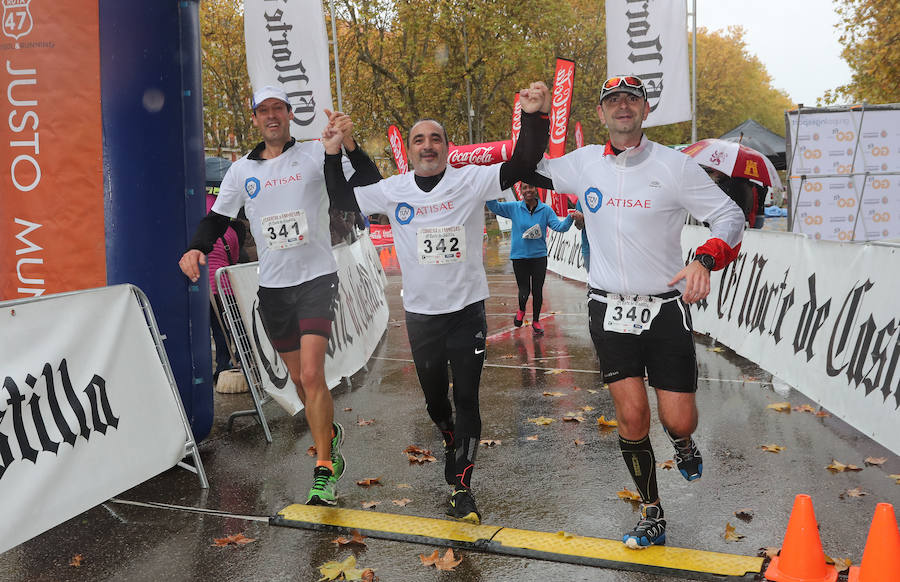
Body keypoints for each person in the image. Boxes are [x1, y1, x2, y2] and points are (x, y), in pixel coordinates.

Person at [529, 75, 745, 548]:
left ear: (646, 112)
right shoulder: (582, 164)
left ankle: (683, 442)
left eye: (632, 100)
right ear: (602, 114)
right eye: (613, 101)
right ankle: (652, 512)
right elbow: (530, 164)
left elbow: (731, 218)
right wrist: (536, 115)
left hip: (665, 309)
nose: (623, 107)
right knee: (631, 417)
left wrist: (705, 258)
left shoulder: (675, 167)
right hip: (608, 309)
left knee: (678, 420)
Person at [323, 81, 552, 524]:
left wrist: (534, 115)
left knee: (467, 397)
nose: (428, 146)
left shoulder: (471, 180)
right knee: (436, 403)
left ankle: (462, 487)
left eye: (436, 139)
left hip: (467, 313)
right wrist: (335, 151)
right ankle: (449, 436)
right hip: (422, 317)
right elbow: (341, 198)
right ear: (408, 151)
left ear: (448, 147)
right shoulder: (395, 190)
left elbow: (524, 161)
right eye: (418, 139)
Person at [178, 86, 382, 506]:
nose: (271, 116)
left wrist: (348, 143)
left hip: (316, 280)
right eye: (263, 110)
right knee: (297, 381)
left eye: (279, 109)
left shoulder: (314, 153)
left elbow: (365, 182)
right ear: (254, 119)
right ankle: (328, 430)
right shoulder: (241, 172)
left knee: (311, 376)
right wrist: (196, 247)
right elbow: (216, 219)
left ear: (290, 115)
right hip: (272, 289)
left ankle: (325, 468)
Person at [486, 183, 579, 334]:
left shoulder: (546, 210)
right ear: (521, 191)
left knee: (537, 291)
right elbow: (494, 207)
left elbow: (560, 227)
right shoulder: (514, 208)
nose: (528, 190)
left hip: (539, 257)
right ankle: (521, 310)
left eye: (531, 187)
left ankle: (536, 321)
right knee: (524, 289)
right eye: (524, 188)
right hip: (519, 257)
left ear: (536, 189)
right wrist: (489, 190)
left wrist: (570, 218)